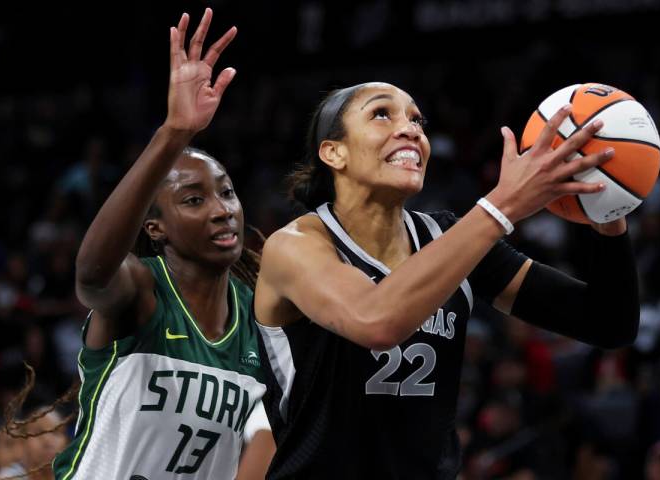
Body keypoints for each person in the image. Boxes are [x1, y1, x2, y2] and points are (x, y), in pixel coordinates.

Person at [254, 82, 639, 478]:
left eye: (417, 119)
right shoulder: (295, 246)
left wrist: (609, 207)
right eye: (382, 113)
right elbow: (375, 321)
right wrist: (501, 205)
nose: (411, 129)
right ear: (334, 152)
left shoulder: (449, 239)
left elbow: (608, 322)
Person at [52, 9, 272, 480]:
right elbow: (92, 275)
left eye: (227, 192)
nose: (222, 209)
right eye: (194, 200)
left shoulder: (260, 321)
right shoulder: (141, 291)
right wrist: (174, 133)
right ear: (156, 229)